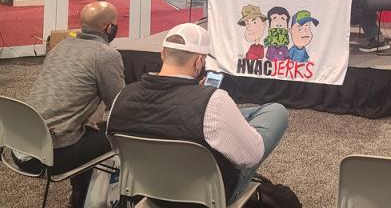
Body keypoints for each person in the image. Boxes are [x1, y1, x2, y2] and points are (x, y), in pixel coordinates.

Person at [107, 23, 288, 206]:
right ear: (199, 61)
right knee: (276, 111)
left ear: (162, 54)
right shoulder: (213, 102)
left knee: (215, 116)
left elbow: (118, 148)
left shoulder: (122, 96)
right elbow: (252, 156)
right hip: (210, 197)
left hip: (150, 190)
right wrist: (212, 102)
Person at [16, 2, 124, 208]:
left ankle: (79, 196)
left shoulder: (62, 45)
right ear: (109, 28)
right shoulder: (106, 55)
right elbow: (120, 106)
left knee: (88, 130)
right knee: (122, 133)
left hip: (20, 144)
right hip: (52, 155)